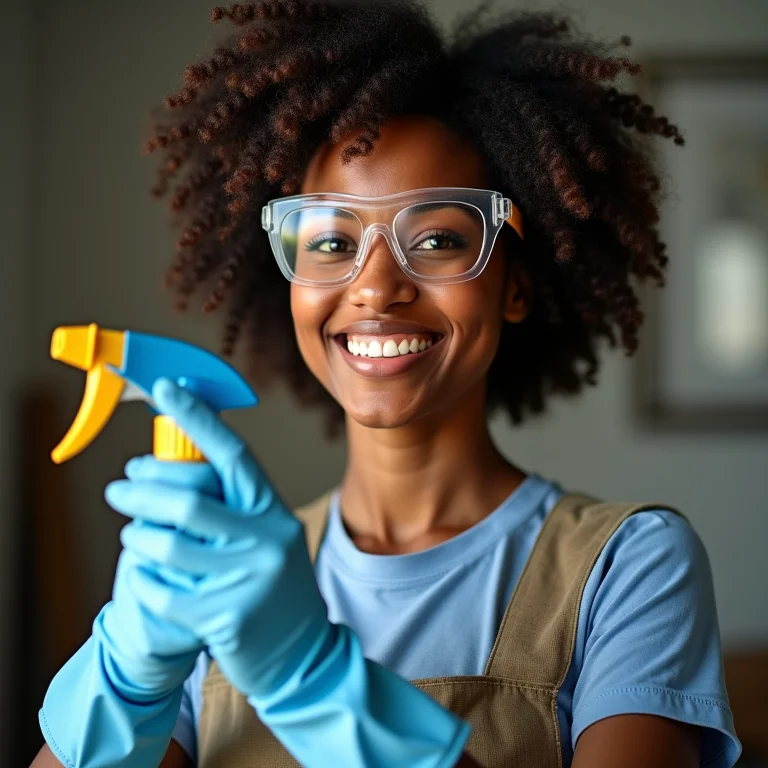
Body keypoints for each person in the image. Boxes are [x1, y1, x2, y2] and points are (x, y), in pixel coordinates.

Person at [33, 1, 742, 766]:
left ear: (514, 284)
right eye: (332, 240)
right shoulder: (223, 573)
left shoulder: (626, 566)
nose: (375, 287)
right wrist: (126, 677)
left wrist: (313, 677)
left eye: (437, 238)